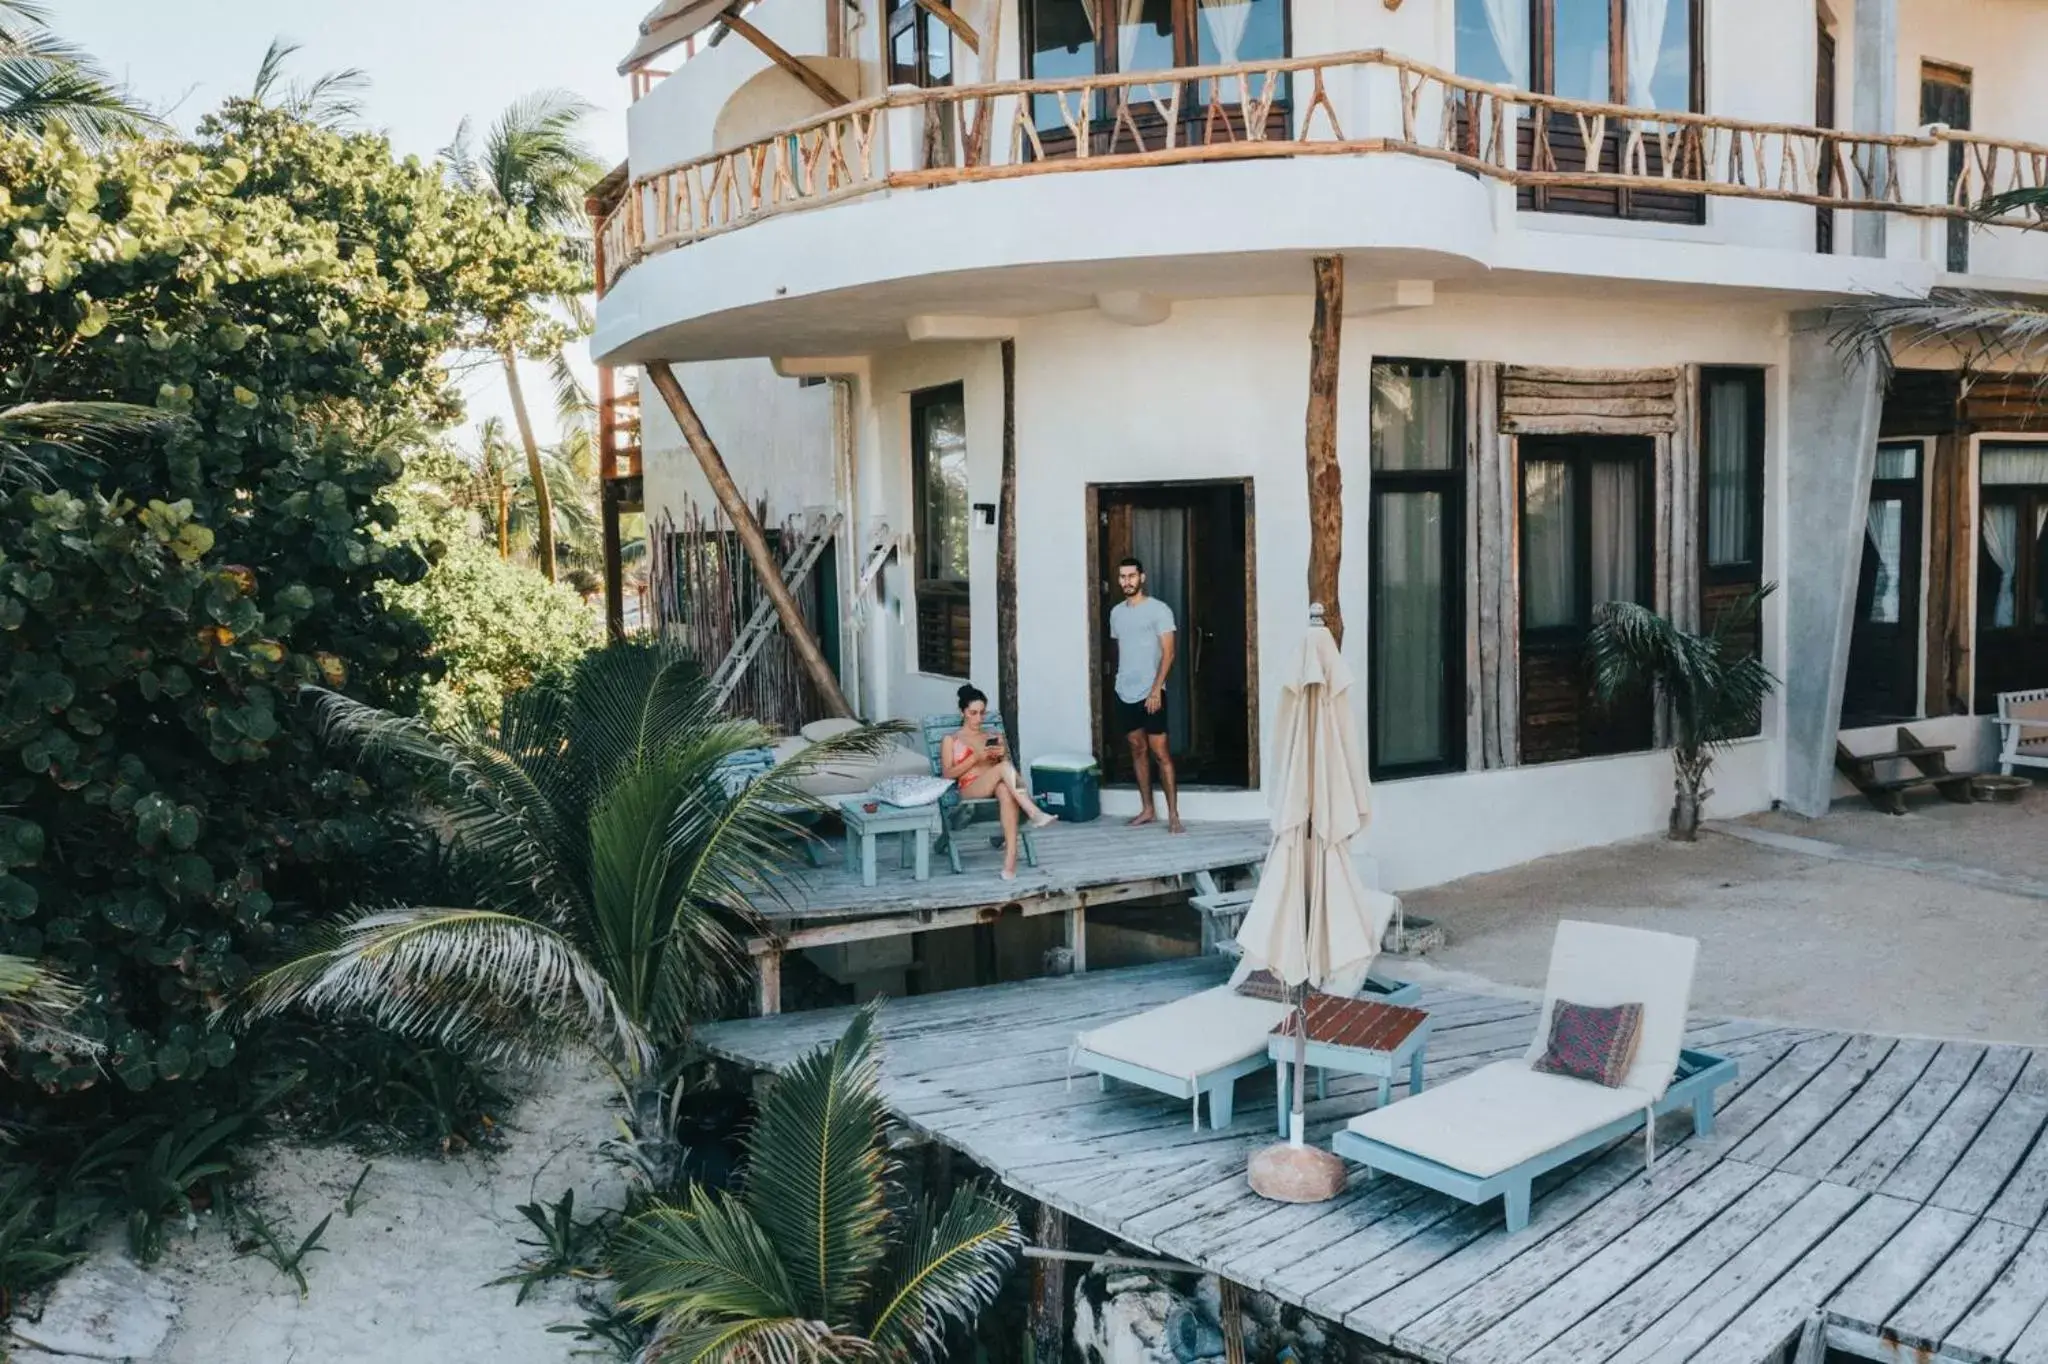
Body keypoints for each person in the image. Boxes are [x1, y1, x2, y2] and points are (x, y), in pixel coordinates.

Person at [940, 684, 1056, 881]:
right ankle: (1033, 811)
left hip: (994, 787)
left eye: (982, 713)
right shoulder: (951, 740)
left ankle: (1009, 863)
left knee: (1004, 789)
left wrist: (1000, 756)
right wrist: (975, 757)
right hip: (970, 790)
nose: (978, 718)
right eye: (973, 713)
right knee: (1004, 769)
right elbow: (947, 775)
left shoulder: (992, 736)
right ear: (962, 712)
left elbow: (1003, 769)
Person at [1109, 556, 1183, 833]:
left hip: (1151, 693)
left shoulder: (1159, 610)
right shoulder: (1116, 613)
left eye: (1131, 576)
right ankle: (1147, 809)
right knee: (1136, 749)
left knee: (1161, 753)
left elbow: (1169, 653)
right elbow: (1122, 650)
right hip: (1124, 691)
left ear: (1142, 577)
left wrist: (1155, 690)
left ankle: (1174, 815)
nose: (1126, 581)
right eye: (1122, 577)